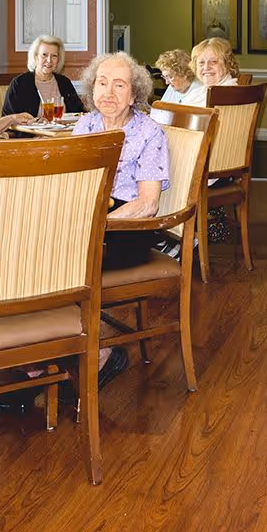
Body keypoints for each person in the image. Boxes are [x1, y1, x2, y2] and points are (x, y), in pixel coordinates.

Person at [70, 50, 176, 388]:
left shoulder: (149, 133)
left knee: (61, 263)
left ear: (135, 95)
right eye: (102, 83)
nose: (108, 93)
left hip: (128, 229)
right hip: (87, 222)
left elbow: (147, 204)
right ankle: (42, 358)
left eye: (119, 85)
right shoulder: (85, 124)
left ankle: (99, 356)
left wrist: (98, 224)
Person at [3, 33, 84, 118]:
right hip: (30, 131)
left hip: (64, 131)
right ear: (35, 57)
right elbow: (9, 119)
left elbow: (79, 113)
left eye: (54, 56)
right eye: (44, 55)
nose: (49, 60)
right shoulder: (20, 83)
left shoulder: (64, 82)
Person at [181, 36, 242, 108]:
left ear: (227, 64)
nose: (206, 67)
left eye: (214, 62)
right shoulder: (199, 93)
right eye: (201, 62)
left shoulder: (228, 96)